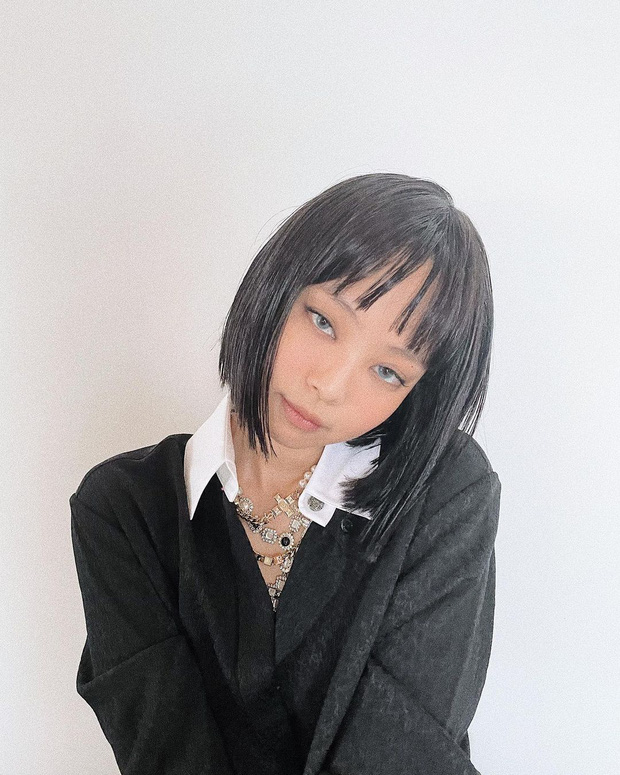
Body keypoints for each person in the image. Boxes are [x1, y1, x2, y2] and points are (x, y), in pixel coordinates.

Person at [70, 173, 501, 775]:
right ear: (278, 284)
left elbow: (404, 751)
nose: (329, 385)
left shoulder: (444, 491)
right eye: (324, 321)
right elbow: (166, 752)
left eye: (388, 372)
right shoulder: (123, 510)